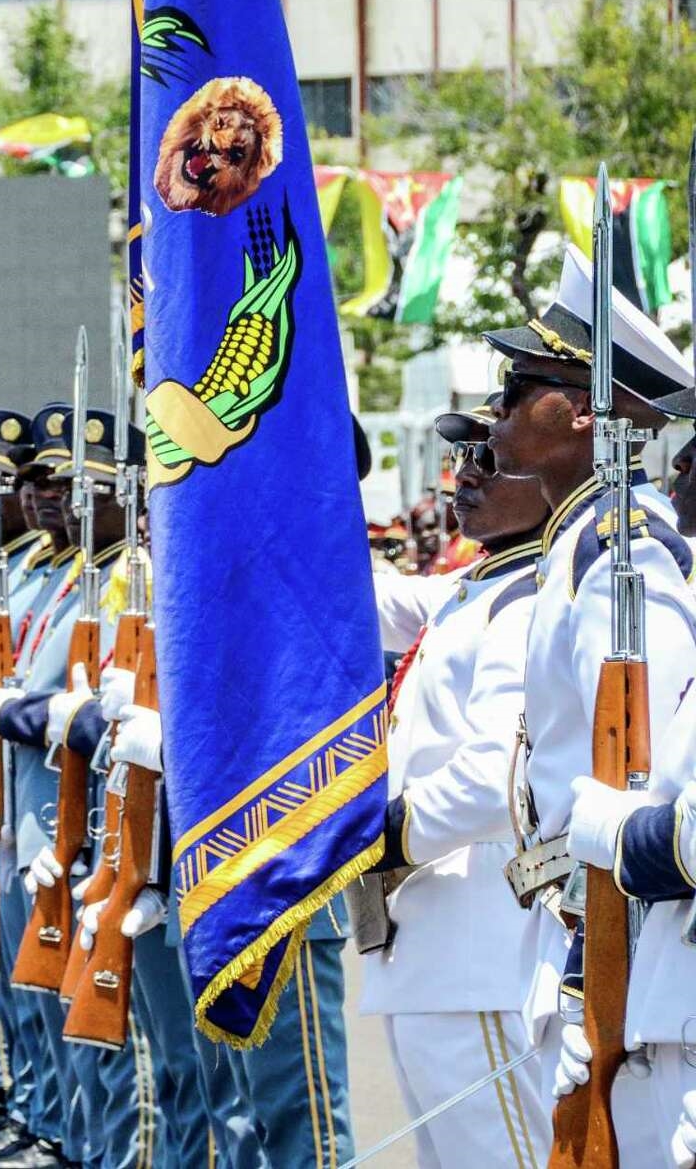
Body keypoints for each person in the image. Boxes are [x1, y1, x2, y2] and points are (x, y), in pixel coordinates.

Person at [482, 244, 696, 1163]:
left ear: (581, 412)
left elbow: (644, 775)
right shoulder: (578, 547)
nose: (494, 412)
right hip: (578, 928)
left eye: (514, 386)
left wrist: (595, 969)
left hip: (617, 937)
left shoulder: (626, 552)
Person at [357, 400, 551, 1168]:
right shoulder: (479, 585)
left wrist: (374, 835)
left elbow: (490, 778)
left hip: (478, 952)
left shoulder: (531, 594)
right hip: (434, 954)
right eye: (461, 460)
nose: (463, 477)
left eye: (489, 461)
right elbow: (369, 601)